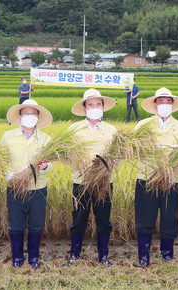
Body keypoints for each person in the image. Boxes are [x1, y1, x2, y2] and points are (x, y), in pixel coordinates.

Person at [133, 87, 178, 268]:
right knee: (144, 218)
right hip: (146, 179)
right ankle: (143, 257)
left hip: (171, 180)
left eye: (168, 101)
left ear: (173, 104)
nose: (164, 104)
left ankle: (167, 254)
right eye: (161, 101)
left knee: (169, 217)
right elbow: (133, 150)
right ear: (155, 105)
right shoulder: (142, 126)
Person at [64, 88, 117, 267]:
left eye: (98, 104)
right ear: (85, 108)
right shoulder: (74, 129)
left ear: (103, 107)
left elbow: (119, 156)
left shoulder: (112, 130)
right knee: (78, 220)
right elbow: (66, 154)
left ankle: (103, 257)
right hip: (81, 182)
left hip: (104, 183)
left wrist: (111, 164)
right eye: (90, 104)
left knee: (103, 221)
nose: (94, 107)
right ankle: (74, 256)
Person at [1, 99, 54, 269]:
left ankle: (33, 259)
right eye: (26, 113)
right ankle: (17, 258)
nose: (29, 117)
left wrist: (46, 166)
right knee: (16, 226)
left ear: (38, 117)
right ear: (20, 116)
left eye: (33, 113)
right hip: (14, 188)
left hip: (37, 189)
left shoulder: (46, 139)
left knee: (36, 226)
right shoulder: (8, 137)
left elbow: (52, 164)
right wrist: (6, 174)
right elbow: (0, 160)